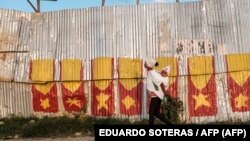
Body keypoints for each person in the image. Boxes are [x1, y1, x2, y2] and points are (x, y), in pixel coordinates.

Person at [145, 58, 172, 125]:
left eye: (145, 63)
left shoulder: (152, 72)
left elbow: (161, 83)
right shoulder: (154, 72)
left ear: (148, 65)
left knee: (151, 112)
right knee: (157, 113)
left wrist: (164, 92)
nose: (144, 64)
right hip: (158, 95)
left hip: (156, 95)